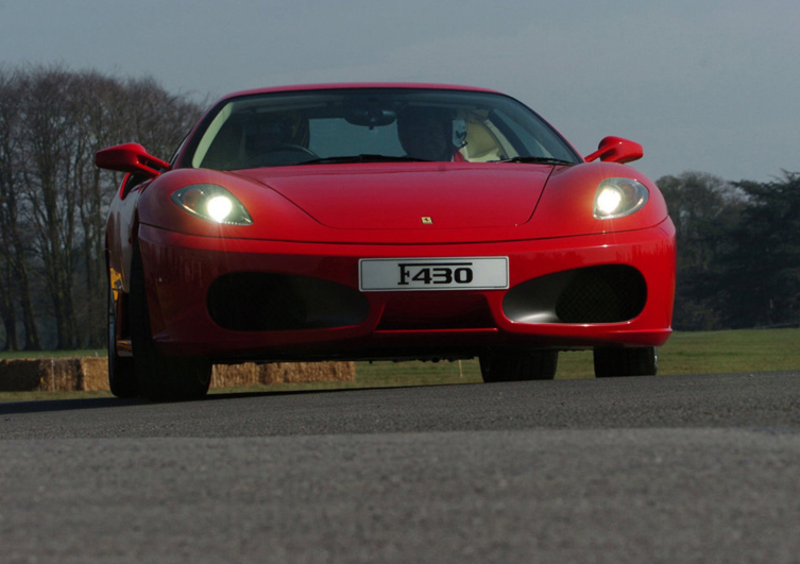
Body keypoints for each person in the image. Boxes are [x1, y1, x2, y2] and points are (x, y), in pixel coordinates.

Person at [396, 107, 465, 162]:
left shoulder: (468, 172)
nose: (426, 141)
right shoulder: (396, 171)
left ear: (449, 135)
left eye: (432, 133)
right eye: (419, 134)